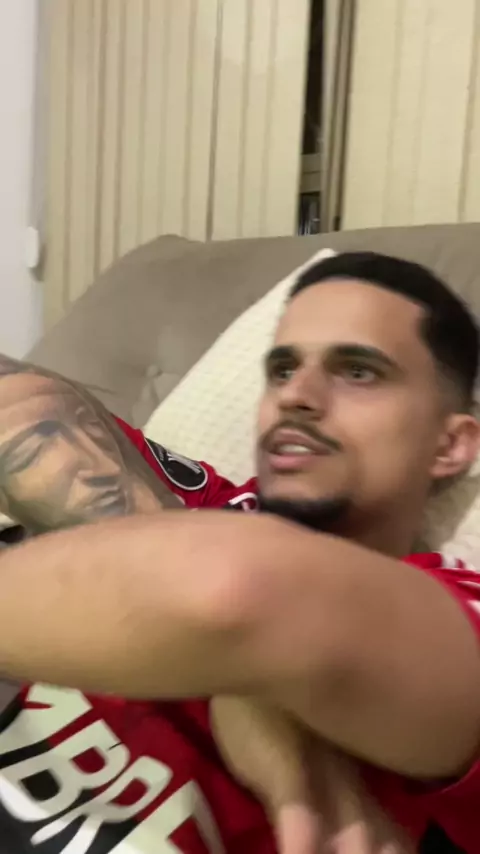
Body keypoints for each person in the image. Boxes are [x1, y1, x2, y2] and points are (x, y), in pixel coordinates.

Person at [0, 252, 477, 853]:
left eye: (358, 371)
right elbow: (21, 405)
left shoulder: (453, 606)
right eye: (282, 369)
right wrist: (243, 678)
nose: (296, 395)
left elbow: (234, 590)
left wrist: (235, 649)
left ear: (449, 445)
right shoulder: (205, 503)